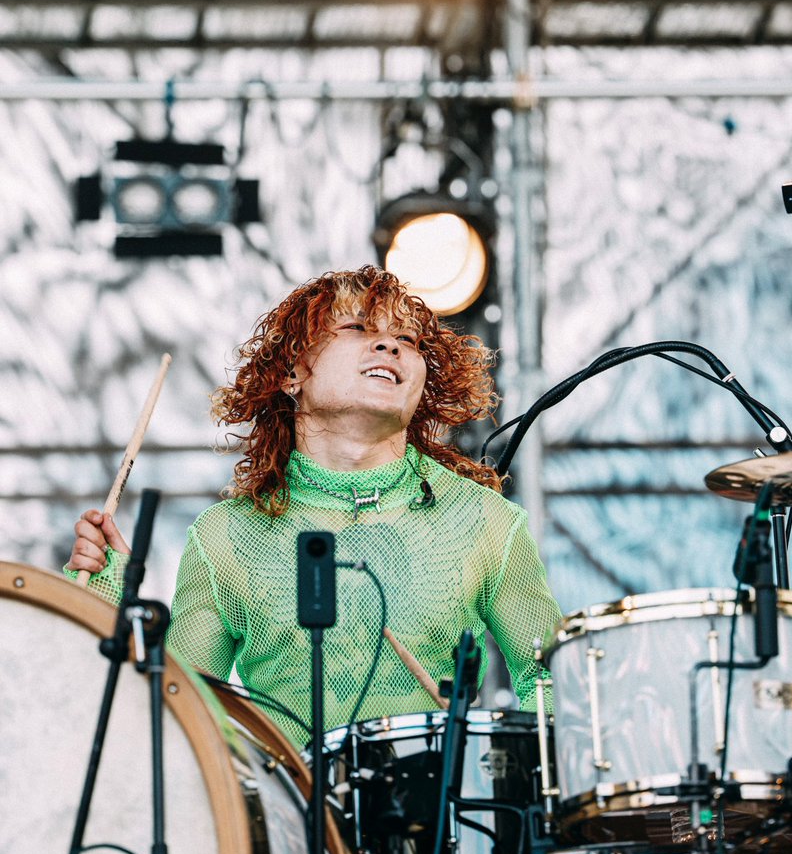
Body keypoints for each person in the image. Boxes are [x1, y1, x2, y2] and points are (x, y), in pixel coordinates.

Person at [66, 265, 561, 749]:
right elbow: (183, 715)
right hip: (289, 798)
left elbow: (551, 681)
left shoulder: (486, 521)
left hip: (436, 800)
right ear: (292, 373)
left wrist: (541, 764)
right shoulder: (225, 536)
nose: (390, 345)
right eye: (356, 328)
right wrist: (110, 601)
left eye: (407, 339)